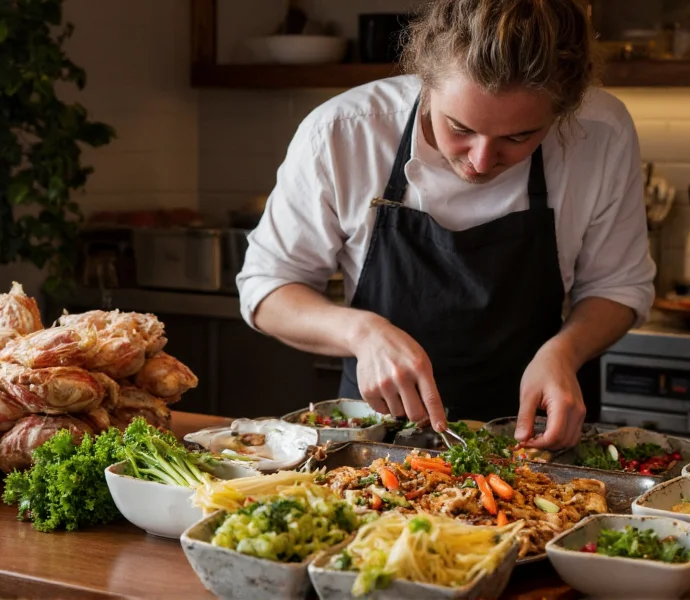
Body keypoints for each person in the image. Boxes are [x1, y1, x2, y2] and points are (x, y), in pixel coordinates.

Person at [237, 0, 655, 450]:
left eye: (519, 138)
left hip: (534, 440)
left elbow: (619, 287)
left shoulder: (601, 133)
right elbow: (267, 289)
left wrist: (565, 351)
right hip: (377, 441)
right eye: (460, 128)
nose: (480, 161)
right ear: (427, 81)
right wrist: (361, 333)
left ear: (563, 111)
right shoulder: (344, 133)